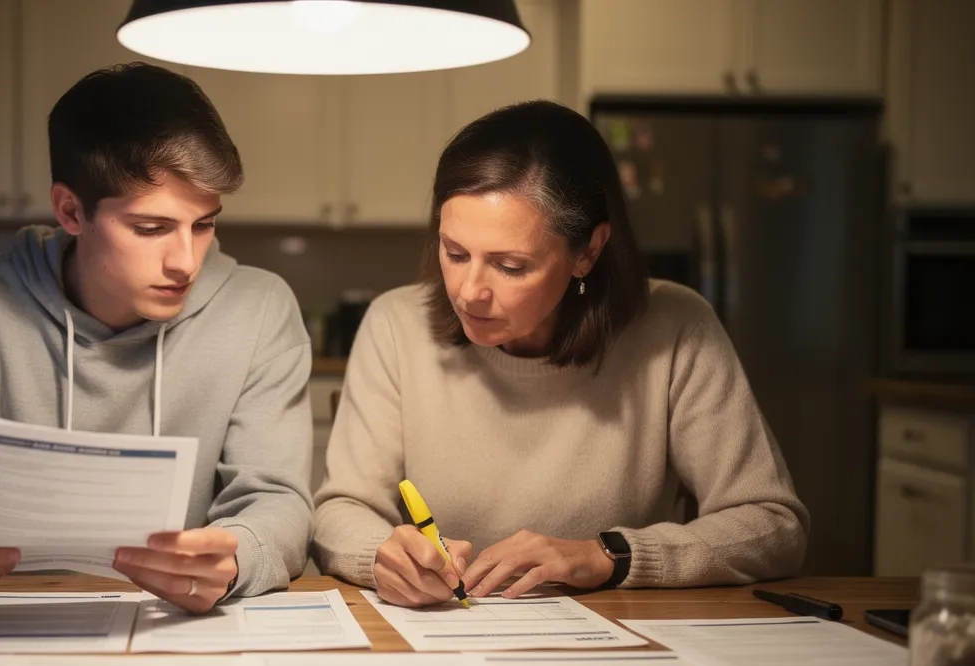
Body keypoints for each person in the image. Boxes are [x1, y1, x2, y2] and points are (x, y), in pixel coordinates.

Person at [0, 63, 313, 613]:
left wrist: (236, 557)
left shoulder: (260, 308)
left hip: (171, 626)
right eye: (151, 229)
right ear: (70, 210)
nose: (186, 261)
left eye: (204, 224)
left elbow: (279, 503)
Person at [312, 100, 809, 607]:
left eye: (509, 265)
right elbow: (340, 508)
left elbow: (772, 525)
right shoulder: (396, 324)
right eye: (455, 253)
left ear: (588, 252)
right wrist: (381, 555)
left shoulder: (676, 326)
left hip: (616, 644)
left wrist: (610, 556)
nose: (468, 292)